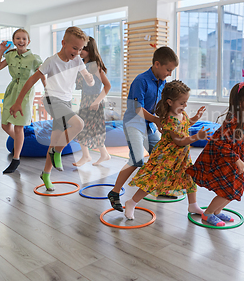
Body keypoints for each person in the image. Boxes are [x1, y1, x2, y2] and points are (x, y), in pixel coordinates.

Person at [10, 27, 95, 191]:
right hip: (51, 100)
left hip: (66, 102)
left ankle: (46, 174)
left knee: (55, 140)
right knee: (78, 124)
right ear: (63, 43)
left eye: (80, 49)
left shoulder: (77, 60)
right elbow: (31, 81)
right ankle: (57, 152)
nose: (77, 52)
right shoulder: (51, 61)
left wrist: (90, 79)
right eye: (74, 48)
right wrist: (18, 102)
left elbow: (86, 77)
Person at [123, 80, 209, 220]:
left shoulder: (181, 113)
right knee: (154, 179)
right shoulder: (170, 119)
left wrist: (195, 118)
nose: (185, 105)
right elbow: (179, 141)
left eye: (186, 102)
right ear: (170, 102)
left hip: (182, 156)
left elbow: (186, 123)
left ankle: (193, 204)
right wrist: (196, 137)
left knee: (189, 176)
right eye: (182, 103)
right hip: (167, 156)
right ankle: (131, 202)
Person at [107, 46, 178, 212]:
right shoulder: (141, 80)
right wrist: (155, 119)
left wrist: (166, 120)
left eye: (172, 70)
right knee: (137, 159)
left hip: (149, 125)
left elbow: (160, 106)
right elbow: (137, 108)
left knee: (162, 156)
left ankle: (161, 188)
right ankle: (114, 192)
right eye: (168, 70)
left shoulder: (162, 83)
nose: (169, 73)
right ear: (157, 64)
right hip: (134, 123)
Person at [186, 81, 244, 226]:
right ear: (240, 102)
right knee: (229, 190)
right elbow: (220, 143)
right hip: (223, 158)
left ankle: (217, 211)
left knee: (236, 187)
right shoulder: (233, 121)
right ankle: (208, 213)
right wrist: (237, 159)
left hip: (231, 157)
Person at [0, 28, 44, 174]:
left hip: (26, 92)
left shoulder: (34, 58)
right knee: (4, 124)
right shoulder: (10, 55)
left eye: (24, 39)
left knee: (18, 126)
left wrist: (47, 90)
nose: (21, 41)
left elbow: (42, 74)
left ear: (28, 41)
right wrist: (1, 51)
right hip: (11, 90)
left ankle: (16, 159)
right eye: (18, 38)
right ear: (13, 40)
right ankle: (20, 142)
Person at [72, 37, 111, 166]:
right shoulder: (83, 65)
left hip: (94, 102)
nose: (81, 50)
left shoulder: (94, 66)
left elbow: (107, 86)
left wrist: (96, 102)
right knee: (93, 130)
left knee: (82, 128)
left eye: (84, 48)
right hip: (85, 100)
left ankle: (86, 156)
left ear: (91, 50)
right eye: (80, 48)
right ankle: (104, 154)